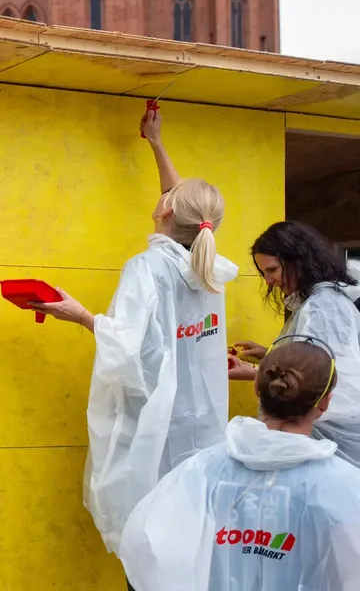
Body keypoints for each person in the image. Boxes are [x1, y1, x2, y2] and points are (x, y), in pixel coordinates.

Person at [31, 108, 237, 564]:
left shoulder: (146, 269)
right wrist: (156, 143)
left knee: (148, 552)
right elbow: (185, 210)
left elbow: (124, 349)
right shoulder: (208, 269)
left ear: (166, 210)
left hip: (155, 433)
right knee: (188, 549)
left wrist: (81, 315)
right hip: (199, 431)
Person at [119, 337, 360, 590]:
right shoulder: (346, 488)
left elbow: (143, 549)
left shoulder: (200, 471)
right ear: (324, 403)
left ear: (256, 386)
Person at [229, 220, 360, 468]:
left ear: (297, 261)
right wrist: (270, 355)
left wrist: (257, 374)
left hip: (332, 436)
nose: (268, 281)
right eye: (263, 272)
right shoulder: (321, 301)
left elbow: (329, 378)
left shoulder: (323, 307)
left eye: (273, 270)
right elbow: (323, 356)